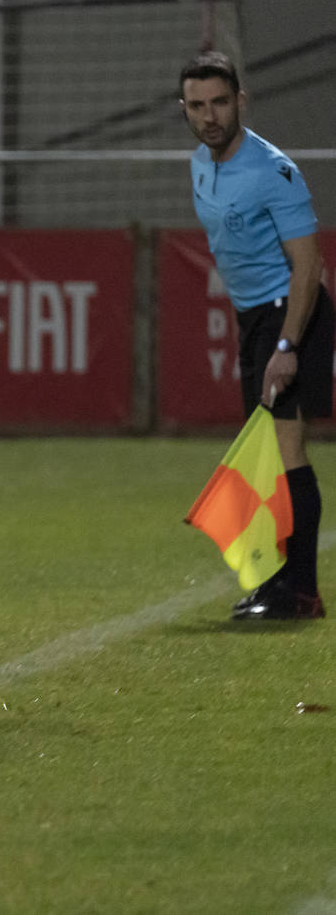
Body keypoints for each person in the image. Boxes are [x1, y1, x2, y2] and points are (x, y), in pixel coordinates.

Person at [180, 50, 332, 620]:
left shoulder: (272, 170)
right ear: (186, 109)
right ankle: (278, 583)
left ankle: (301, 591)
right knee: (267, 451)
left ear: (241, 101)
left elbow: (309, 266)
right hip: (254, 318)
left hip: (289, 315)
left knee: (288, 449)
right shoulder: (200, 163)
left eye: (220, 102)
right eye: (198, 105)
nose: (210, 115)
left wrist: (288, 346)